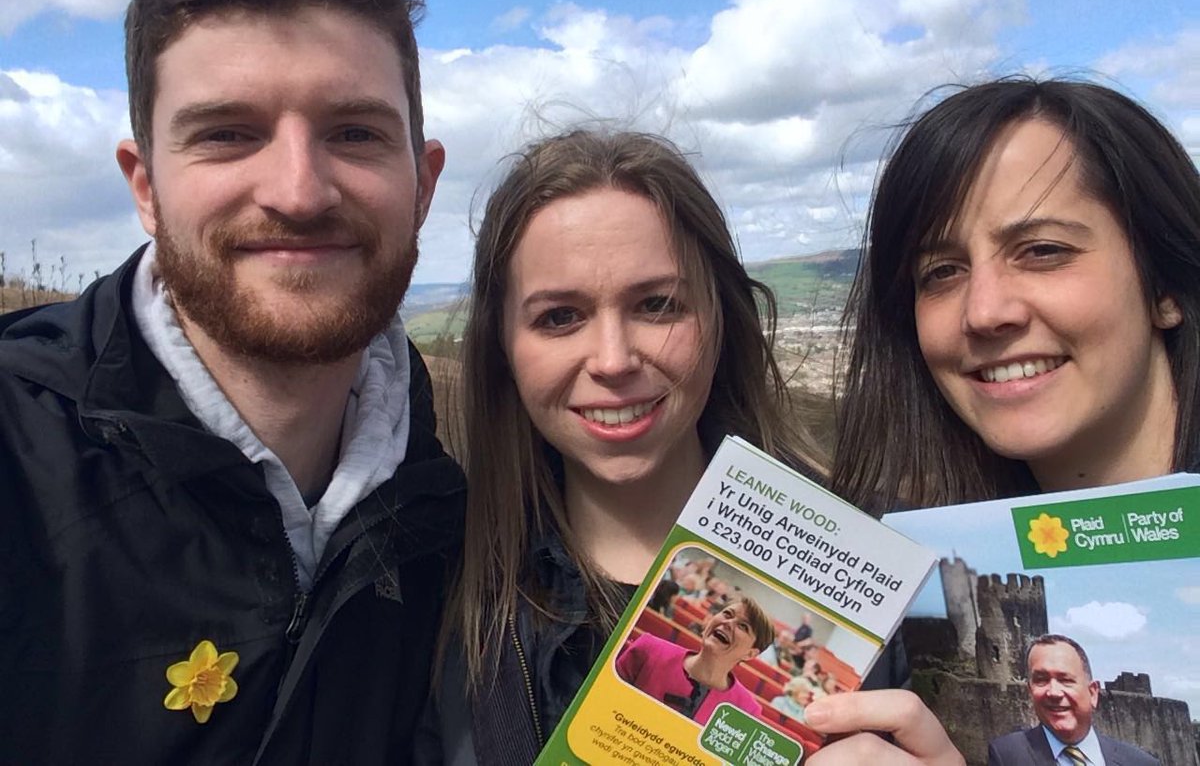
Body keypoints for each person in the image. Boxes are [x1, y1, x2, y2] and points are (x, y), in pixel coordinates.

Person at [0, 0, 462, 765]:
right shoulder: (17, 464)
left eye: (354, 132)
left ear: (423, 185)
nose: (298, 191)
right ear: (145, 186)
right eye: (227, 134)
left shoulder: (458, 519)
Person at [804, 78, 1200, 762]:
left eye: (1043, 250)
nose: (984, 312)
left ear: (1165, 285)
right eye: (941, 271)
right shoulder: (891, 601)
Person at [417, 129, 826, 765]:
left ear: (721, 316)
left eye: (657, 305)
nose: (612, 360)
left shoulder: (857, 573)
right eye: (559, 316)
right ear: (503, 349)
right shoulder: (436, 607)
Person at [988, 635, 1160, 765]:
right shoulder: (1007, 756)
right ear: (1030, 692)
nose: (1054, 692)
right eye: (1041, 680)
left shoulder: (1140, 762)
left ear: (1093, 693)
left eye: (1065, 680)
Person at [616, 597, 774, 723]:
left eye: (743, 626)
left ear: (750, 654)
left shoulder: (746, 711)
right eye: (727, 614)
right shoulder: (648, 649)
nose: (728, 623)